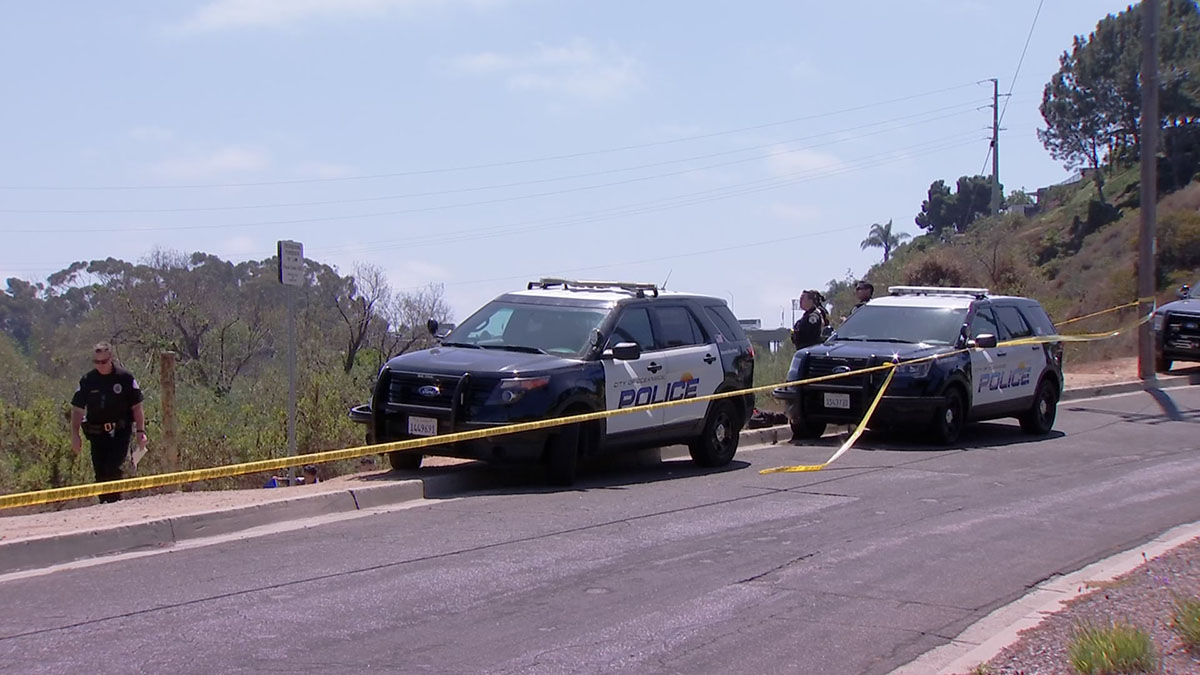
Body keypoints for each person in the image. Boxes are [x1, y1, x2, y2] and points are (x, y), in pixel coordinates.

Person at [70, 342, 147, 503]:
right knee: (100, 472)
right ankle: (105, 504)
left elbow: (137, 407)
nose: (100, 366)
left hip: (120, 432)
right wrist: (75, 435)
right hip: (97, 434)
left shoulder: (124, 378)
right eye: (97, 362)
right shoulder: (87, 380)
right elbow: (77, 409)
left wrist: (141, 432)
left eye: (103, 362)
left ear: (111, 359)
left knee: (113, 468)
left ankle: (114, 502)